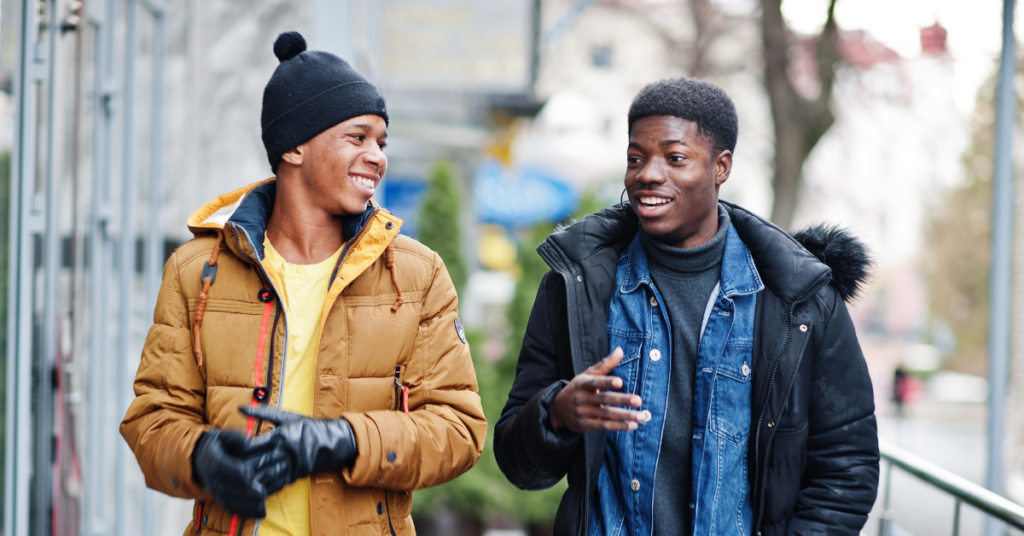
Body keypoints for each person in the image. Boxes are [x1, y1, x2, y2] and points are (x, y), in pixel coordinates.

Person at [120, 31, 486, 536]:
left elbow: (459, 429)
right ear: (294, 146)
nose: (377, 156)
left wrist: (346, 441)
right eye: (357, 137)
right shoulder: (196, 269)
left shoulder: (417, 274)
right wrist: (201, 456)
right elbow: (151, 421)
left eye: (381, 142)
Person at [494, 77, 879, 536]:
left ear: (721, 167)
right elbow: (520, 466)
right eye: (636, 158)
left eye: (675, 158)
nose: (648, 174)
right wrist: (556, 413)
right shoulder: (578, 284)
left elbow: (847, 468)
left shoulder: (798, 298)